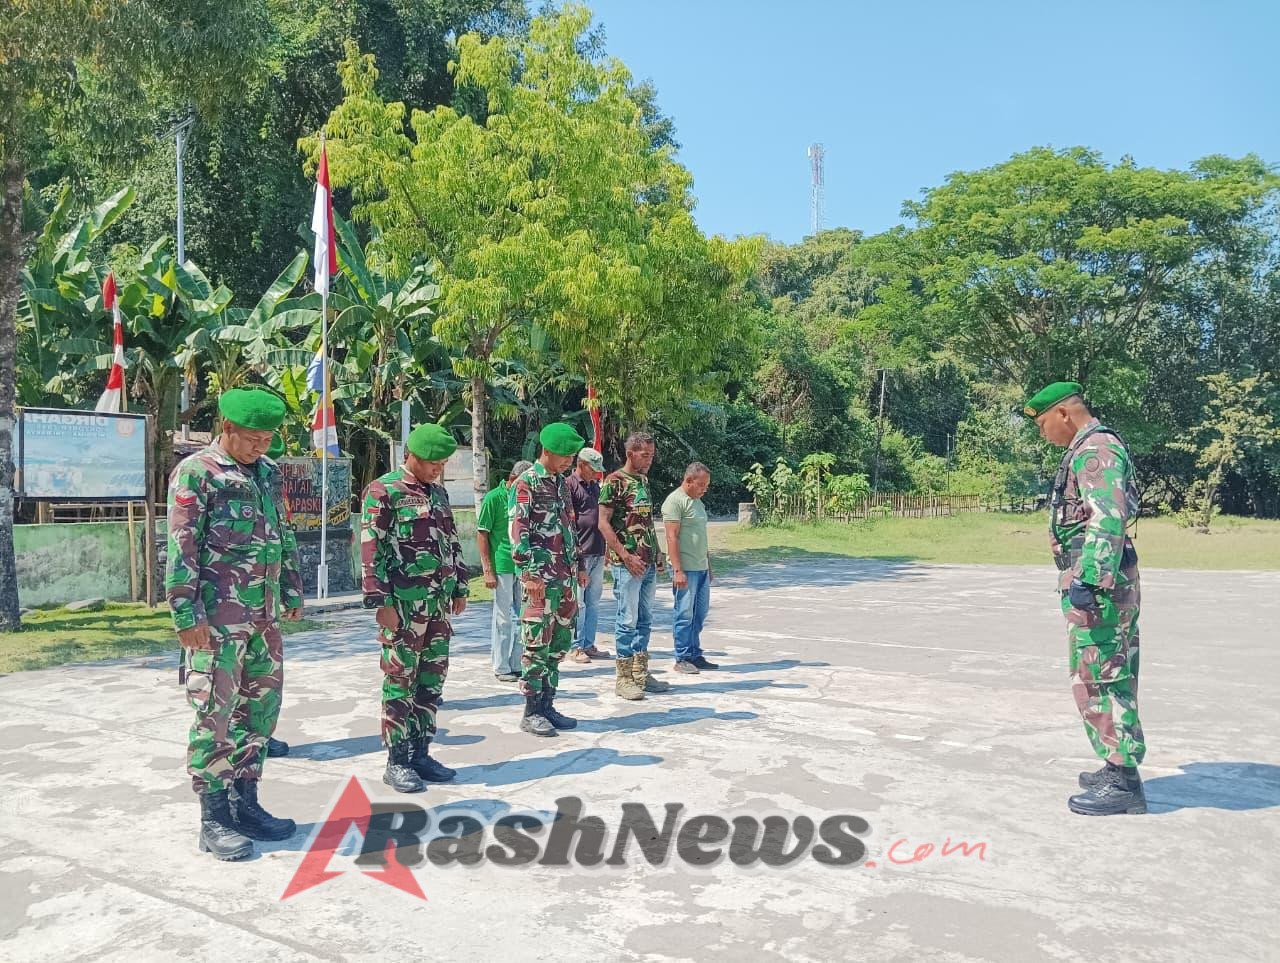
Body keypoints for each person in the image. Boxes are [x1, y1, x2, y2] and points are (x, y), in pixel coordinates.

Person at [166, 387, 304, 861]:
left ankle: (247, 803)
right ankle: (214, 818)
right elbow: (182, 545)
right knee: (215, 714)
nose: (260, 447)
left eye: (266, 439)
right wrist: (186, 614)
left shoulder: (267, 474)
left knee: (260, 711)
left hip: (263, 618)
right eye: (252, 439)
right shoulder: (197, 473)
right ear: (227, 429)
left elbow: (281, 537)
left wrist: (290, 589)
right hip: (217, 622)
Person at [1025, 381, 1147, 816]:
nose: (1043, 434)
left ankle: (1122, 781)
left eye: (1042, 424)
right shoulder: (1086, 448)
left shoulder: (1096, 450)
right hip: (1099, 582)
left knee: (1103, 675)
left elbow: (1107, 518)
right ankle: (1117, 766)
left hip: (1101, 587)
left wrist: (1091, 582)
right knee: (1100, 671)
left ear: (1063, 414)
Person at [361, 422, 470, 793]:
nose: (437, 469)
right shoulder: (384, 490)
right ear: (411, 455)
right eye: (431, 463)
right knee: (399, 680)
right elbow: (370, 548)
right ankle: (397, 759)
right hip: (404, 606)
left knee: (431, 679)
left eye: (441, 464)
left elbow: (450, 542)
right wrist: (380, 601)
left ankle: (422, 751)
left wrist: (459, 586)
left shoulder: (438, 494)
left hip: (437, 604)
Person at [510, 423, 588, 736]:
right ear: (547, 451)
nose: (569, 460)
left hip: (565, 577)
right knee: (536, 643)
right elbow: (518, 528)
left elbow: (571, 525)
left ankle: (548, 705)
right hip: (539, 579)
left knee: (559, 643)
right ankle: (531, 711)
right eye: (565, 455)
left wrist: (579, 563)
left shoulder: (561, 483)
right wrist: (527, 572)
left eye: (571, 456)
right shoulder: (526, 482)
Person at [598, 431, 670, 700]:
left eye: (652, 455)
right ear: (630, 454)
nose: (650, 460)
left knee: (645, 618)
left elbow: (647, 522)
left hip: (648, 561)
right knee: (626, 620)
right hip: (626, 564)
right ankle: (624, 677)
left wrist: (659, 552)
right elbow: (603, 523)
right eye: (645, 455)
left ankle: (641, 672)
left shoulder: (643, 480)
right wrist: (625, 556)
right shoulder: (614, 482)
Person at [478, 460, 533, 681]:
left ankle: (517, 662)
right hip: (501, 565)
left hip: (523, 566)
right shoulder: (493, 497)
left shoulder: (525, 497)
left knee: (524, 616)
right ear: (514, 478)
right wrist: (487, 569)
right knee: (503, 618)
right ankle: (501, 666)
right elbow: (482, 534)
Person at [663, 462, 719, 674]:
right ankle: (682, 657)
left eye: (707, 485)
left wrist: (709, 566)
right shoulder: (675, 502)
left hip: (701, 567)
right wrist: (678, 570)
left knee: (700, 613)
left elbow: (701, 537)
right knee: (684, 613)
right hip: (684, 568)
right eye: (701, 485)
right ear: (688, 481)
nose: (705, 489)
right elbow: (671, 536)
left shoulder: (698, 503)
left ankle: (695, 654)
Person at [566, 447, 610, 663]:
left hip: (598, 550)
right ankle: (575, 646)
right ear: (581, 464)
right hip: (579, 554)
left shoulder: (595, 487)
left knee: (594, 601)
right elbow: (569, 525)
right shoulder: (570, 485)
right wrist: (578, 559)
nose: (596, 474)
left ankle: (588, 643)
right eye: (593, 469)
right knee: (579, 603)